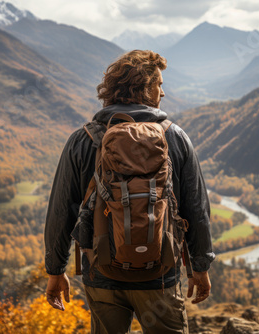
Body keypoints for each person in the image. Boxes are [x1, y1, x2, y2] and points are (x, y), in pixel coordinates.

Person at [44, 50, 215, 334]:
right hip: (160, 275)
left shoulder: (83, 140)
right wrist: (200, 266)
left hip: (102, 275)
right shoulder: (174, 137)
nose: (163, 92)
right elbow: (196, 209)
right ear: (144, 88)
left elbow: (61, 210)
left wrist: (55, 270)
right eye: (159, 84)